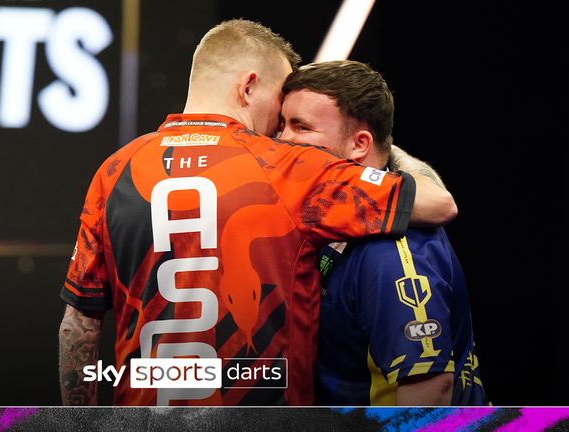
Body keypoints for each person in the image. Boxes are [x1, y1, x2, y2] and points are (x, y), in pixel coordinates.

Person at [59, 20, 456, 406]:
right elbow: (438, 203)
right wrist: (388, 147)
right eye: (280, 104)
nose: (278, 129)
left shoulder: (114, 171)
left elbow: (78, 325)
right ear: (248, 87)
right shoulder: (290, 167)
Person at [278, 60, 488, 405]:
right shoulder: (340, 218)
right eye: (282, 125)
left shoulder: (390, 249)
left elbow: (430, 389)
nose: (283, 140)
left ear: (360, 144)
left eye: (301, 127)